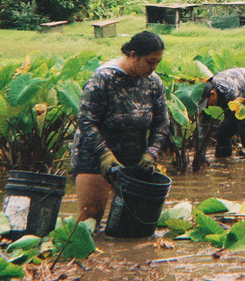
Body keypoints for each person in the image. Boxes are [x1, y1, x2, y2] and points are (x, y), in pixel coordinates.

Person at [70, 30, 170, 224]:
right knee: (91, 214)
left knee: (132, 219)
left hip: (133, 155)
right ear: (133, 55)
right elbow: (86, 120)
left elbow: (162, 122)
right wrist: (104, 155)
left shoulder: (154, 83)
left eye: (158, 62)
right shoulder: (104, 78)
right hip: (94, 154)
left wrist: (151, 153)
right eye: (150, 62)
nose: (154, 67)